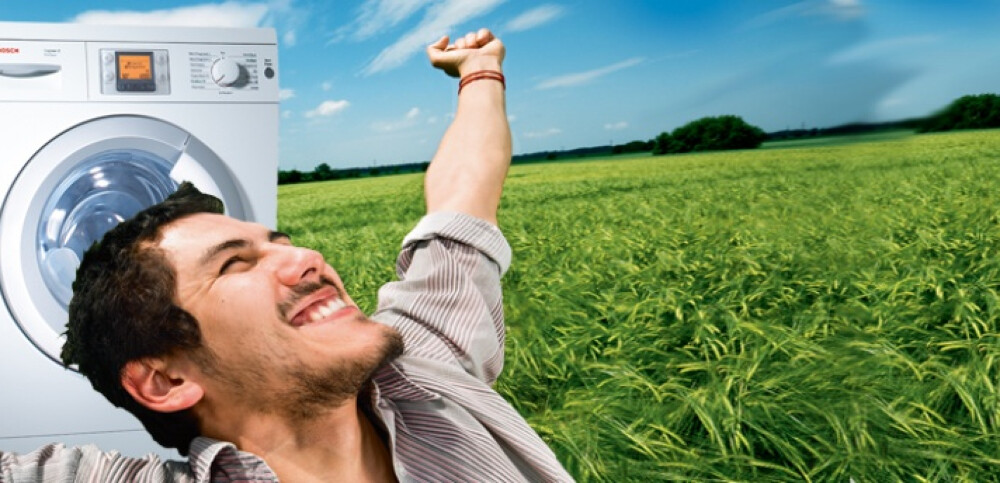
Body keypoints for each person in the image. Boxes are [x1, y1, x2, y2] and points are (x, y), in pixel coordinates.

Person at [0, 28, 572, 482]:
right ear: (165, 380)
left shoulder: (426, 362)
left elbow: (463, 196)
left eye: (280, 243)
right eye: (233, 264)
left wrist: (480, 71)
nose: (307, 258)